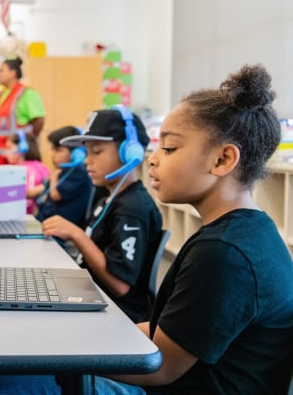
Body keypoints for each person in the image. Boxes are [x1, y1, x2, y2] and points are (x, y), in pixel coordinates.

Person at [96, 65, 293, 394]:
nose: (154, 160)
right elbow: (167, 333)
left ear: (222, 160)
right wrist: (81, 333)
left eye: (169, 148)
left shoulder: (224, 254)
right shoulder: (250, 231)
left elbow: (159, 366)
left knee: (15, 379)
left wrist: (63, 354)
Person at [42, 107, 162, 324]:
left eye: (96, 152)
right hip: (94, 297)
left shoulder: (133, 208)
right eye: (86, 153)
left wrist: (77, 235)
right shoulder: (107, 199)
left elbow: (119, 285)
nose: (87, 161)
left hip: (116, 315)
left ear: (129, 152)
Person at [0, 58, 46, 165]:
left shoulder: (27, 94)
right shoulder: (1, 95)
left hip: (19, 157)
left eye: (1, 70)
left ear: (13, 73)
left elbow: (39, 120)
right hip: (0, 158)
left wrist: (28, 142)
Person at [36, 126, 93, 227]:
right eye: (52, 150)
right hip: (47, 223)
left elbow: (55, 195)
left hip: (60, 232)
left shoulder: (78, 172)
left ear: (76, 153)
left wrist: (54, 177)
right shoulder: (64, 171)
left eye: (58, 150)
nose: (53, 155)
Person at [5, 131, 49, 215]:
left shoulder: (26, 170)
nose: (6, 152)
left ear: (23, 147)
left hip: (27, 217)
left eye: (9, 148)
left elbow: (27, 202)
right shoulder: (41, 165)